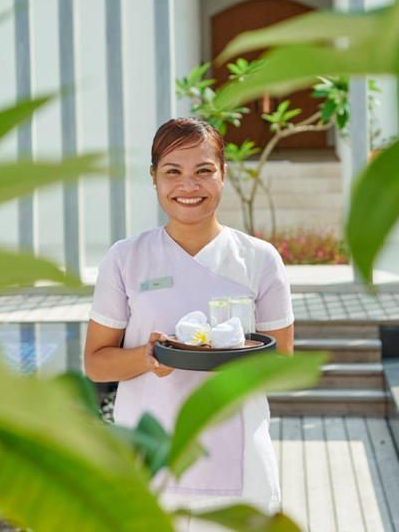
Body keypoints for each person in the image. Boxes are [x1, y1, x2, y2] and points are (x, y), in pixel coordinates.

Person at [83, 117, 295, 531]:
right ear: (154, 178)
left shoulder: (259, 259)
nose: (188, 186)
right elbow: (95, 363)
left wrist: (234, 357)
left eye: (203, 171)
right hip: (148, 459)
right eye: (173, 172)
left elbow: (282, 363)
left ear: (223, 174)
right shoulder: (126, 258)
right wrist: (147, 357)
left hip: (240, 461)